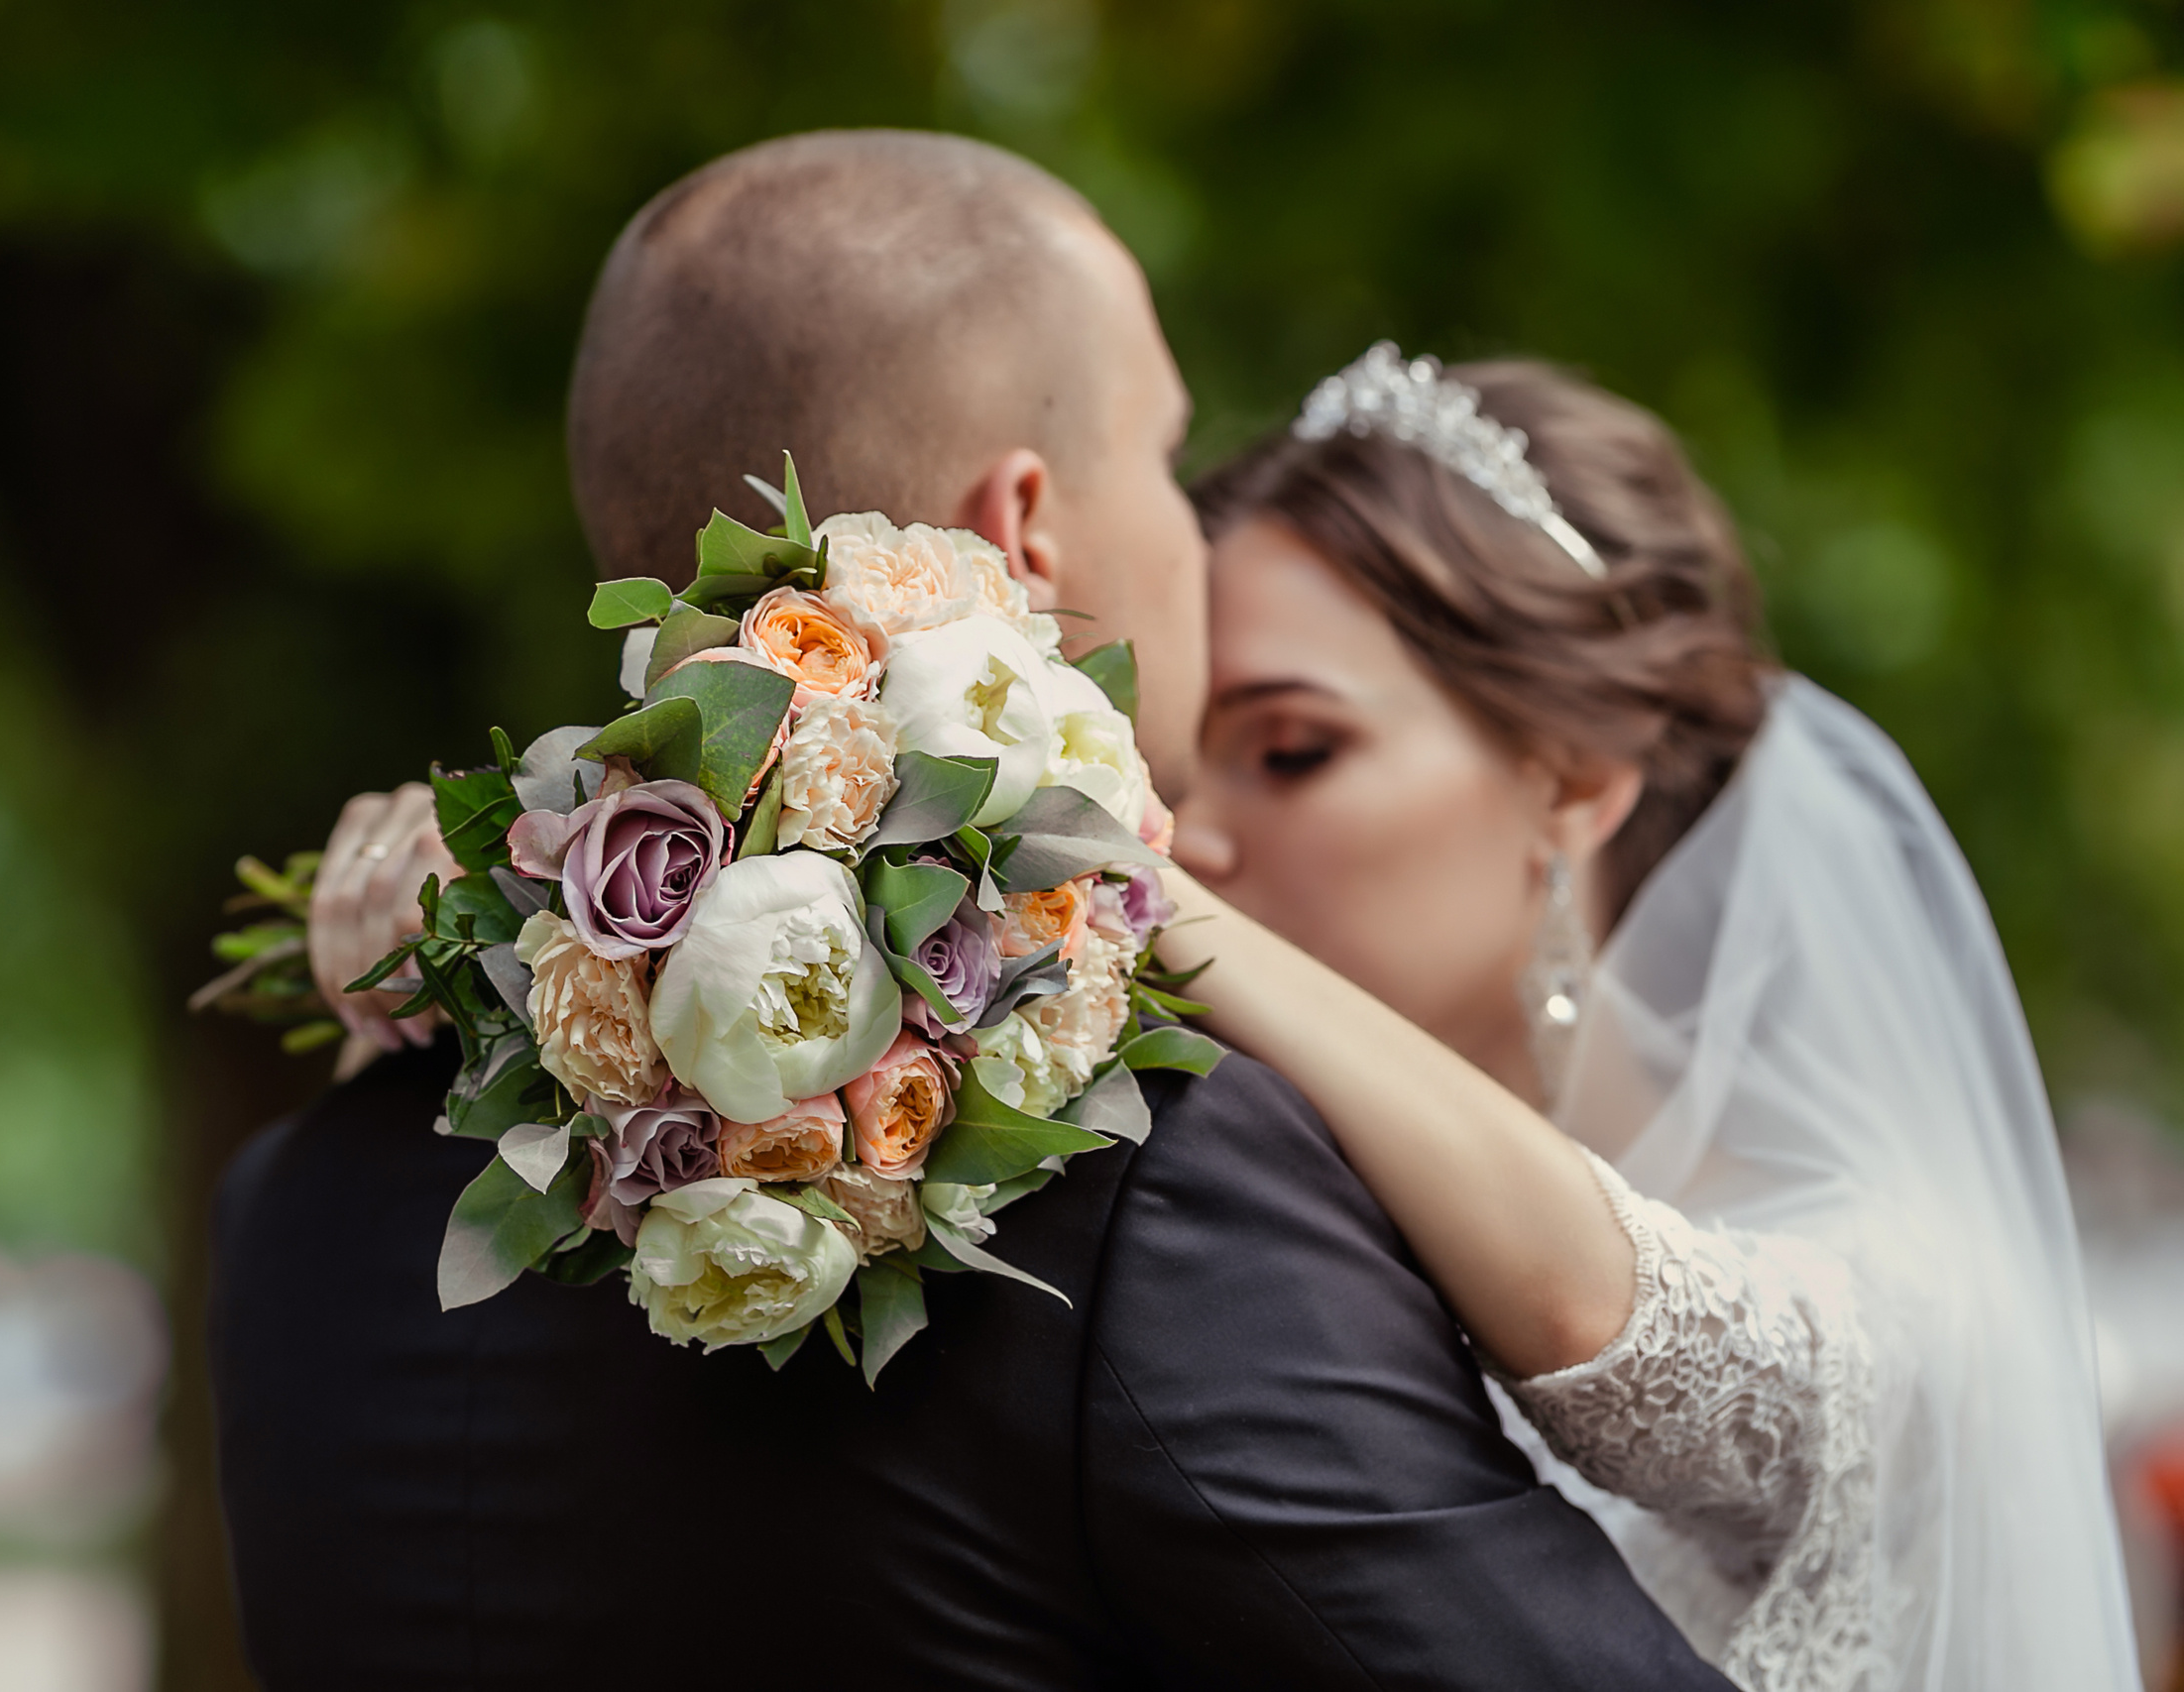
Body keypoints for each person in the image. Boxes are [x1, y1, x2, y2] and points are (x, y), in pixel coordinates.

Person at [211, 131, 1735, 1688]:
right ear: (1026, 528)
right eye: (1164, 455)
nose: (1198, 538)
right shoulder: (1137, 1180)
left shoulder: (304, 1196)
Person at [1158, 344, 2139, 1690]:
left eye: (1289, 751)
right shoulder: (1284, 1222)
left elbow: (1591, 1315)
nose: (1194, 837)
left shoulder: (1913, 1282)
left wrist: (1120, 891)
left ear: (1571, 777)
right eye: (1165, 773)